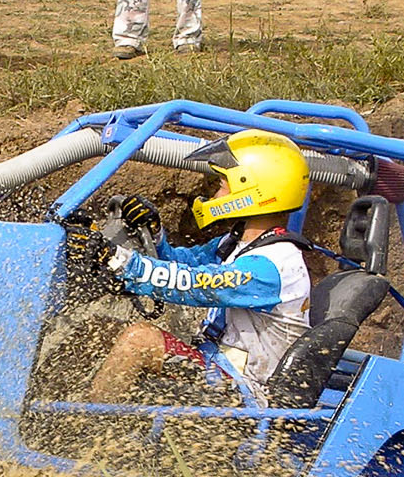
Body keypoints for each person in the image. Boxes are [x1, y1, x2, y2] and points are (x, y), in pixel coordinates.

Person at [66, 129, 313, 402]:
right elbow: (185, 265)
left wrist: (115, 259)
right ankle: (37, 416)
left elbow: (193, 284)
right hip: (215, 365)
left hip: (247, 393)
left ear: (251, 189)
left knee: (139, 340)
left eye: (221, 184)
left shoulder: (275, 265)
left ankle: (85, 430)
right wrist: (154, 234)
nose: (215, 194)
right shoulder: (236, 244)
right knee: (97, 330)